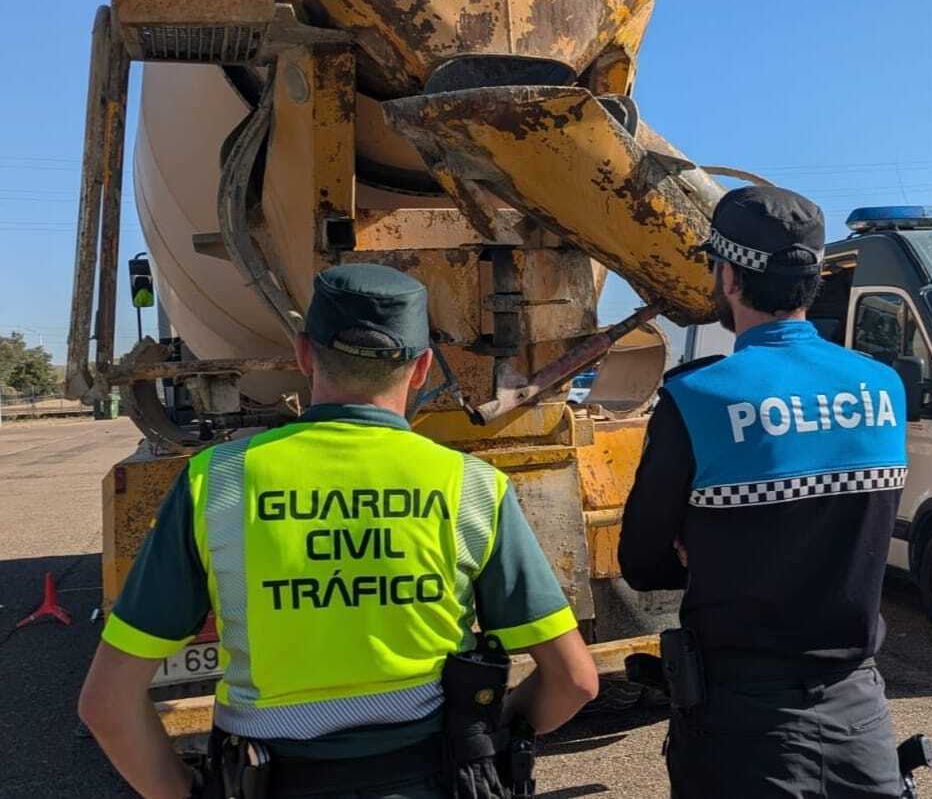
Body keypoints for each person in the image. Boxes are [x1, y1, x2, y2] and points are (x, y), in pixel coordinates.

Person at [80, 263, 598, 799]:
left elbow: (107, 704)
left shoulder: (217, 481)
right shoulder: (470, 486)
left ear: (305, 355)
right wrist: (485, 734)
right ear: (421, 368)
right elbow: (575, 682)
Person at [619, 186, 909, 798]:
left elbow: (641, 565)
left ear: (727, 275)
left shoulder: (696, 397)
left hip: (743, 721)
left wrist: (714, 551)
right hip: (862, 711)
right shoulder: (883, 387)